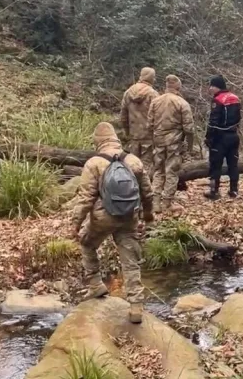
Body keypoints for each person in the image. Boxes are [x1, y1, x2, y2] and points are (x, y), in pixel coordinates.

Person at [72, 122, 154, 324]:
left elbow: (86, 198)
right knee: (130, 259)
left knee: (87, 243)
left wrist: (75, 224)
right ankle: (136, 305)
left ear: (97, 142)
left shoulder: (94, 163)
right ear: (116, 139)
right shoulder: (133, 160)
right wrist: (147, 215)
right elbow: (147, 192)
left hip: (103, 218)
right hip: (129, 216)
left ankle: (95, 284)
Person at [148, 75, 194, 213]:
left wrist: (155, 138)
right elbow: (189, 129)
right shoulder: (182, 103)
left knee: (158, 170)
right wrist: (189, 146)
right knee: (171, 171)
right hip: (174, 142)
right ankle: (167, 203)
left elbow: (149, 125)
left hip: (158, 140)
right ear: (178, 86)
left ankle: (155, 202)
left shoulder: (155, 102)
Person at [204, 75, 241, 199]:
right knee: (233, 164)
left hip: (220, 137)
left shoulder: (218, 100)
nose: (210, 88)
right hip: (234, 135)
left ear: (217, 86)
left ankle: (214, 191)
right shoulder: (235, 98)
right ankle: (234, 190)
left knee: (215, 164)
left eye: (212, 86)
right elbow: (238, 118)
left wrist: (209, 137)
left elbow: (213, 121)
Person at [121, 67, 159, 174]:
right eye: (153, 77)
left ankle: (130, 183)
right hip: (149, 137)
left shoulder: (128, 92)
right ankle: (143, 185)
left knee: (132, 165)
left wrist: (127, 132)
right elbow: (158, 116)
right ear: (150, 77)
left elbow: (123, 116)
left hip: (133, 136)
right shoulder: (153, 94)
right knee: (145, 167)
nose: (155, 79)